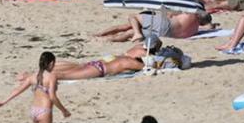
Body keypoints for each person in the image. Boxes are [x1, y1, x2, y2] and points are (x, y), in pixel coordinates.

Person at [32, 38, 161, 80]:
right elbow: (148, 68)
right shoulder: (130, 62)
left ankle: (39, 73)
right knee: (67, 75)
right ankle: (37, 77)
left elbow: (144, 48)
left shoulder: (128, 54)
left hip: (99, 62)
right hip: (101, 69)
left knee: (72, 67)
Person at [96, 10, 214, 42]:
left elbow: (169, 14)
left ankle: (99, 35)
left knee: (132, 18)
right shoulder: (194, 29)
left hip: (165, 24)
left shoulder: (191, 14)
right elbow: (207, 28)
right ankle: (107, 39)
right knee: (129, 32)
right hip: (167, 34)